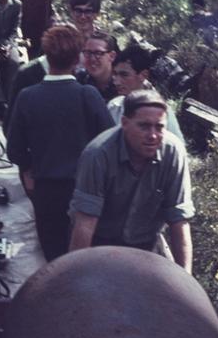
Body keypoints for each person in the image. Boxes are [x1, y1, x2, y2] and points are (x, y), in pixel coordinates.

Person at [7, 25, 113, 261]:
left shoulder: (28, 96)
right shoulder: (88, 95)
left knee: (52, 257)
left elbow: (14, 149)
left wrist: (28, 168)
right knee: (82, 258)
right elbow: (109, 142)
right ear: (78, 59)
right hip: (86, 190)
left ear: (46, 56)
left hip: (45, 190)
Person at [68, 89, 194, 273]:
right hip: (99, 244)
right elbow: (85, 224)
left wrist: (186, 279)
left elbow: (179, 221)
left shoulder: (173, 153)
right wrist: (76, 277)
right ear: (125, 123)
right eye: (143, 126)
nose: (152, 136)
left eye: (159, 127)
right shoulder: (98, 154)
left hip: (145, 246)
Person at [108, 43, 185, 142]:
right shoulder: (113, 106)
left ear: (143, 75)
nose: (116, 81)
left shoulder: (162, 111)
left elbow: (178, 147)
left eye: (124, 75)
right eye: (115, 74)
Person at [76, 31, 119, 101]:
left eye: (98, 53)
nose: (92, 58)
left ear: (112, 56)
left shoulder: (121, 84)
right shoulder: (79, 81)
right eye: (88, 53)